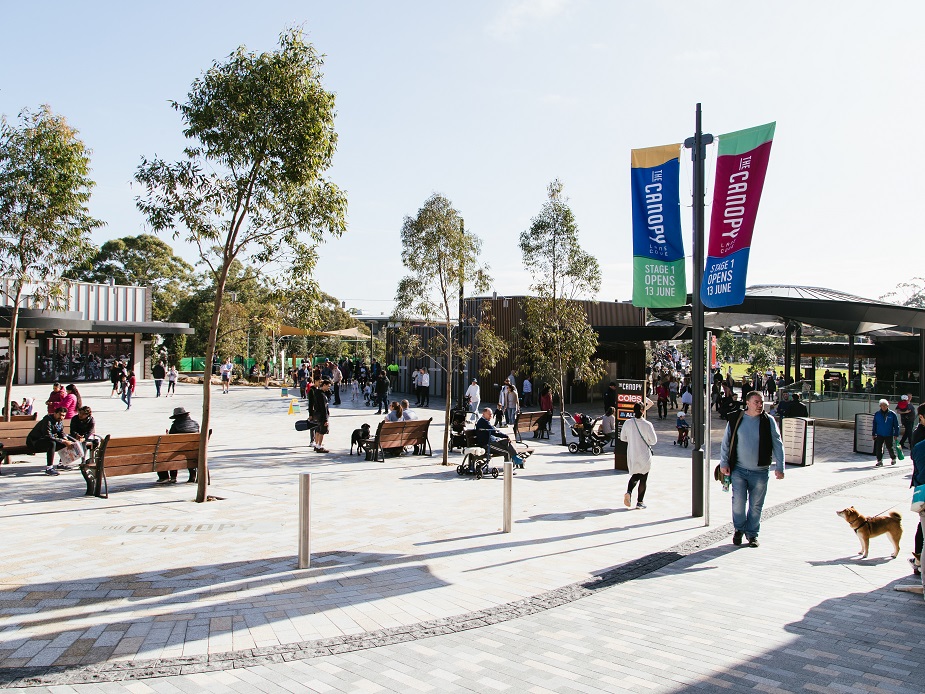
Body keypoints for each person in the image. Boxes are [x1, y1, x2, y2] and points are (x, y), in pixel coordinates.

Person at [719, 391, 785, 547]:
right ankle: (739, 530)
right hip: (739, 470)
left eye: (761, 402)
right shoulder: (736, 418)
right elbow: (726, 442)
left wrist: (780, 466)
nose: (760, 405)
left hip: (760, 471)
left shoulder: (768, 421)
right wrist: (724, 463)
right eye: (756, 402)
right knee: (738, 503)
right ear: (747, 403)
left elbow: (778, 444)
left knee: (756, 505)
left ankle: (752, 534)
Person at [620, 402, 657, 509]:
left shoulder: (627, 423)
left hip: (632, 452)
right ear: (643, 411)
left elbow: (623, 438)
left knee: (636, 474)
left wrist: (632, 439)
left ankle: (629, 492)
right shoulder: (647, 424)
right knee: (643, 477)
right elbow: (654, 441)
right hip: (644, 454)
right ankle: (639, 502)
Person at [157, 407, 200, 484]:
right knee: (186, 452)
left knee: (163, 455)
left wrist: (167, 435)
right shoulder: (195, 424)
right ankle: (192, 475)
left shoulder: (176, 425)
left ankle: (167, 477)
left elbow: (171, 440)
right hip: (195, 451)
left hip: (178, 452)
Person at [26, 407, 73, 476]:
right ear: (55, 413)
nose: (61, 417)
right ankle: (49, 468)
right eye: (60, 415)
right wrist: (63, 441)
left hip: (45, 440)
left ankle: (62, 463)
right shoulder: (47, 420)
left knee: (65, 443)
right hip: (35, 441)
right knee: (52, 443)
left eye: (63, 415)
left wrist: (65, 439)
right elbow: (47, 435)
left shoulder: (59, 422)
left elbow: (61, 433)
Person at [909, 404, 925, 578]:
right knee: (923, 525)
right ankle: (919, 559)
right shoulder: (919, 435)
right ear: (921, 417)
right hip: (922, 485)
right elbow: (919, 463)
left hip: (921, 482)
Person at [871, 398, 899, 467]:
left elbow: (896, 425)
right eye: (882, 405)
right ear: (880, 406)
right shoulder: (877, 414)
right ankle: (879, 460)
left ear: (887, 406)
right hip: (879, 434)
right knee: (878, 448)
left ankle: (893, 458)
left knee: (889, 447)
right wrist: (873, 433)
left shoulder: (892, 414)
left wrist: (896, 434)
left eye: (885, 405)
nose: (884, 407)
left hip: (888, 433)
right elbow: (874, 424)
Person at [309, 378, 331, 453]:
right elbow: (323, 407)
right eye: (328, 386)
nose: (329, 388)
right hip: (322, 416)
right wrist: (325, 419)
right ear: (324, 385)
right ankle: (319, 446)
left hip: (317, 415)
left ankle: (316, 445)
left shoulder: (317, 392)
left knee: (318, 430)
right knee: (322, 431)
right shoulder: (322, 395)